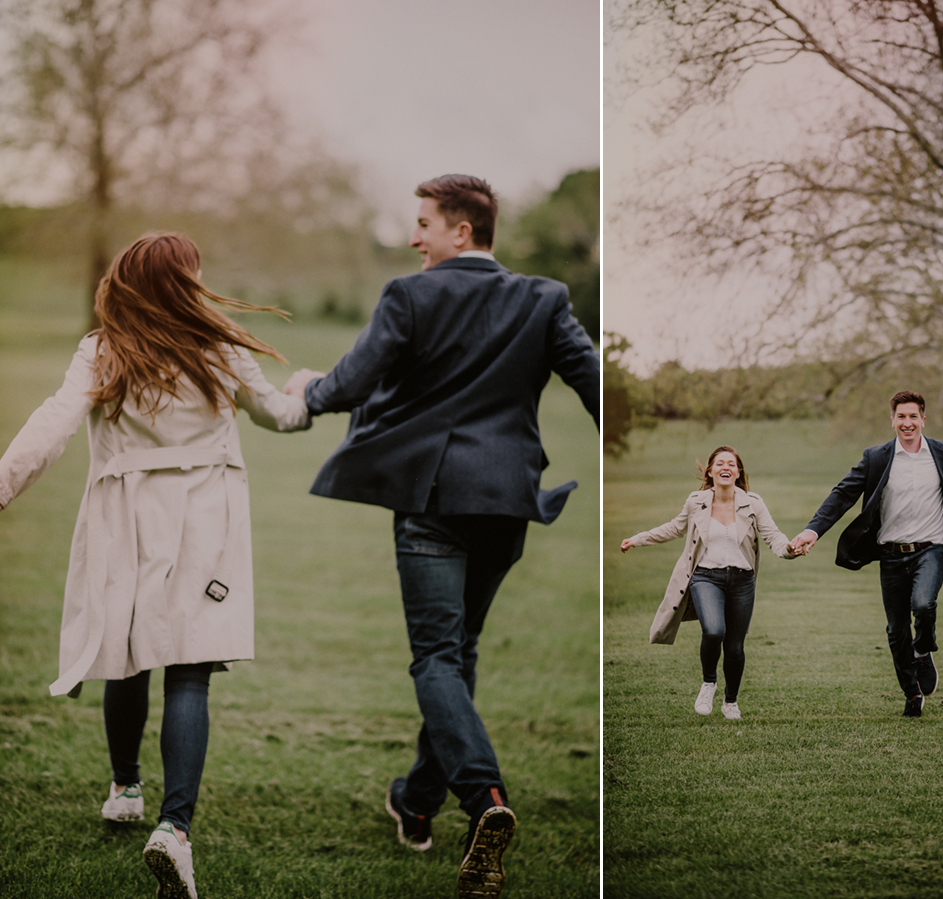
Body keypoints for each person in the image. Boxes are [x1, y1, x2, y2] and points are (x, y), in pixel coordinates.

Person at [283, 174, 599, 898]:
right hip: (507, 500)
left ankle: (483, 799)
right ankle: (416, 801)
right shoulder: (544, 298)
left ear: (464, 231)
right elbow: (592, 383)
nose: (414, 237)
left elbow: (354, 381)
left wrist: (308, 391)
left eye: (424, 223)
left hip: (430, 500)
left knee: (434, 656)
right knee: (459, 653)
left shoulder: (410, 294)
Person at [0, 233, 311, 899]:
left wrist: (2, 484)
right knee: (190, 671)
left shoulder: (105, 348)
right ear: (181, 282)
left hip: (128, 520)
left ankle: (125, 786)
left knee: (129, 651)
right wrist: (308, 392)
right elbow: (281, 416)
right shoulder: (221, 344)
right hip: (207, 521)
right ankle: (174, 828)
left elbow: (53, 424)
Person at [790, 391, 943, 718]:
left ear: (923, 419)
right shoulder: (877, 457)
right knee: (896, 630)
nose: (907, 423)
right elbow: (843, 494)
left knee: (923, 603)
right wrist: (813, 530)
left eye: (913, 417)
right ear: (892, 420)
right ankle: (912, 694)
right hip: (891, 552)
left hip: (931, 547)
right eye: (901, 417)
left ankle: (923, 649)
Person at [620, 446, 798, 720]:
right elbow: (674, 528)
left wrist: (789, 549)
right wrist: (639, 538)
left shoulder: (753, 502)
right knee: (714, 631)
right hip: (705, 577)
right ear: (711, 471)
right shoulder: (697, 502)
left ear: (738, 473)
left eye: (732, 464)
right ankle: (709, 683)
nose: (726, 467)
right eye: (720, 463)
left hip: (742, 581)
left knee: (735, 646)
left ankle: (731, 702)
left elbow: (772, 535)